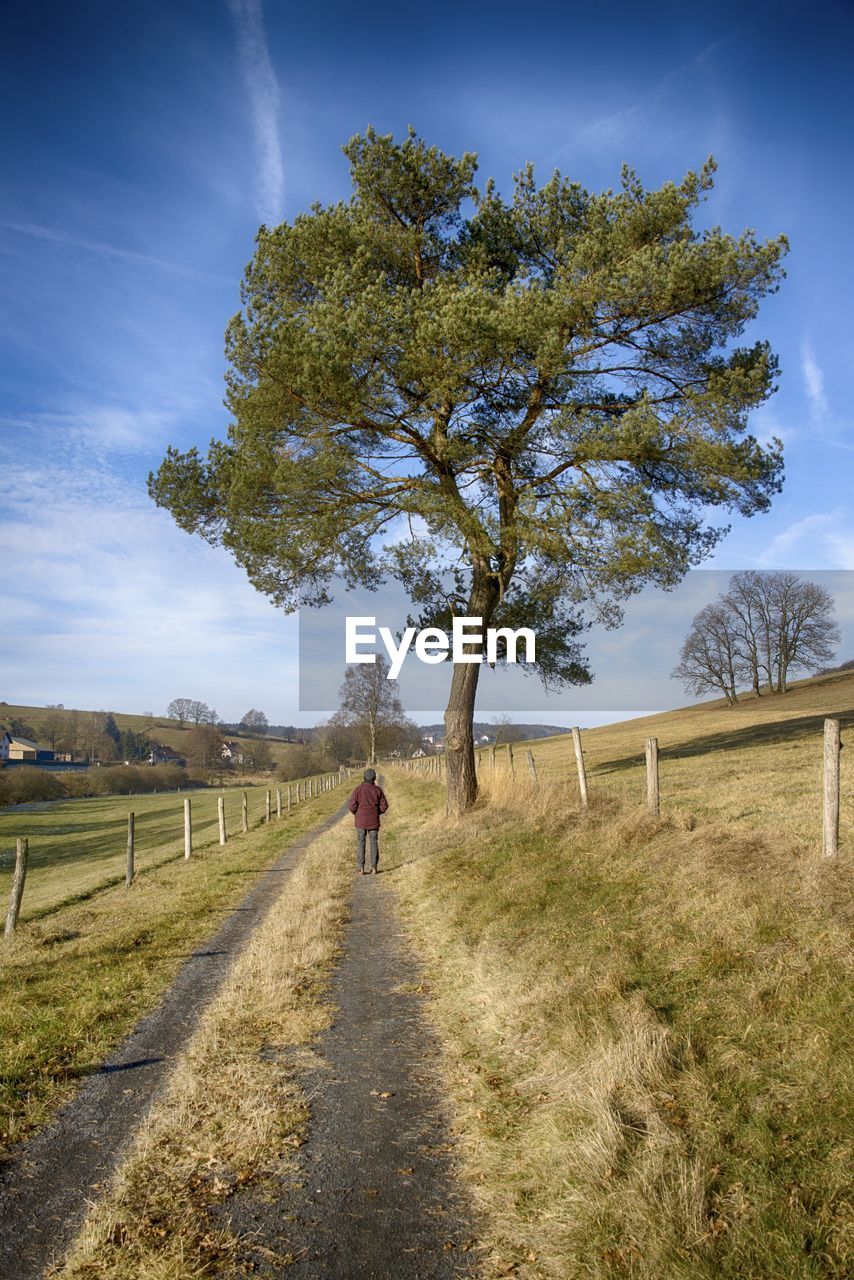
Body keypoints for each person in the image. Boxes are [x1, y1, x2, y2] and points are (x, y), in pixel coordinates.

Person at [348, 768, 389, 875]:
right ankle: (374, 867)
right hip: (373, 821)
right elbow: (384, 806)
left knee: (361, 843)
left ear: (364, 777)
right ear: (374, 778)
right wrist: (377, 812)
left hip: (360, 821)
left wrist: (357, 813)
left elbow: (351, 806)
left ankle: (360, 868)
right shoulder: (378, 790)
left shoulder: (358, 789)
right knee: (373, 842)